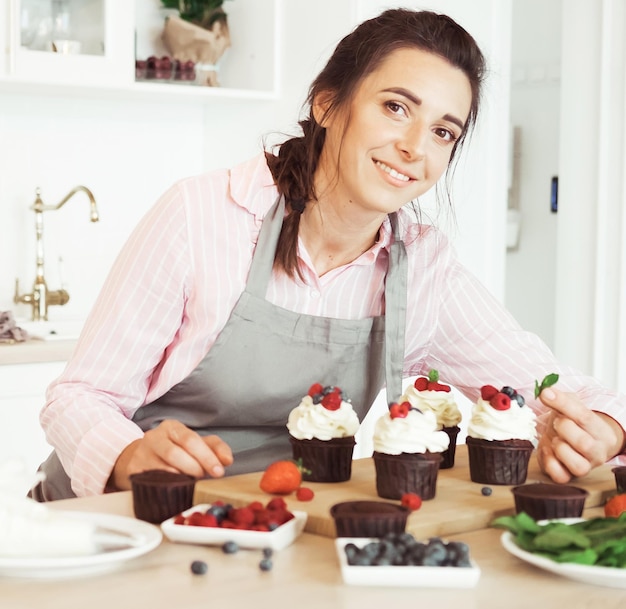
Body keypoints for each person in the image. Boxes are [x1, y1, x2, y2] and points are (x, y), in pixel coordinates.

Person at [31, 8, 626, 501]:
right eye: (396, 107)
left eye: (444, 131)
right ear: (326, 103)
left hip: (270, 520)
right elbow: (81, 396)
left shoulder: (422, 268)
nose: (415, 146)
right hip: (124, 515)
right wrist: (131, 455)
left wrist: (603, 427)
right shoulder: (203, 215)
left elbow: (545, 382)